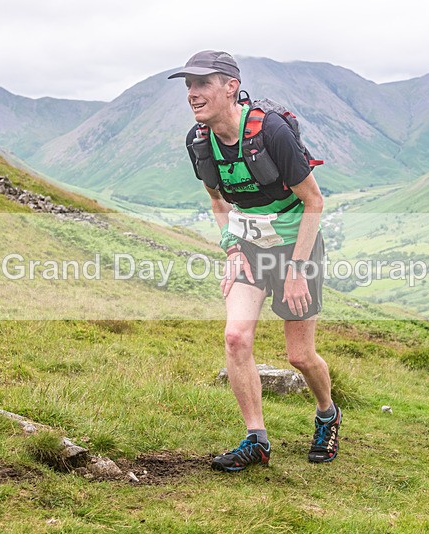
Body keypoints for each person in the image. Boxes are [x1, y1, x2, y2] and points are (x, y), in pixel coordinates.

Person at [169, 50, 341, 471]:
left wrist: (297, 271)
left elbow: (314, 201)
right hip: (248, 247)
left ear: (231, 87)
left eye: (203, 83)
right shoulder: (198, 142)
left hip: (296, 247)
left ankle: (327, 414)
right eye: (188, 85)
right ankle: (256, 440)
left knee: (299, 356)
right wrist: (231, 249)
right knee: (235, 337)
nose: (192, 93)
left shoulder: (272, 132)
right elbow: (218, 202)